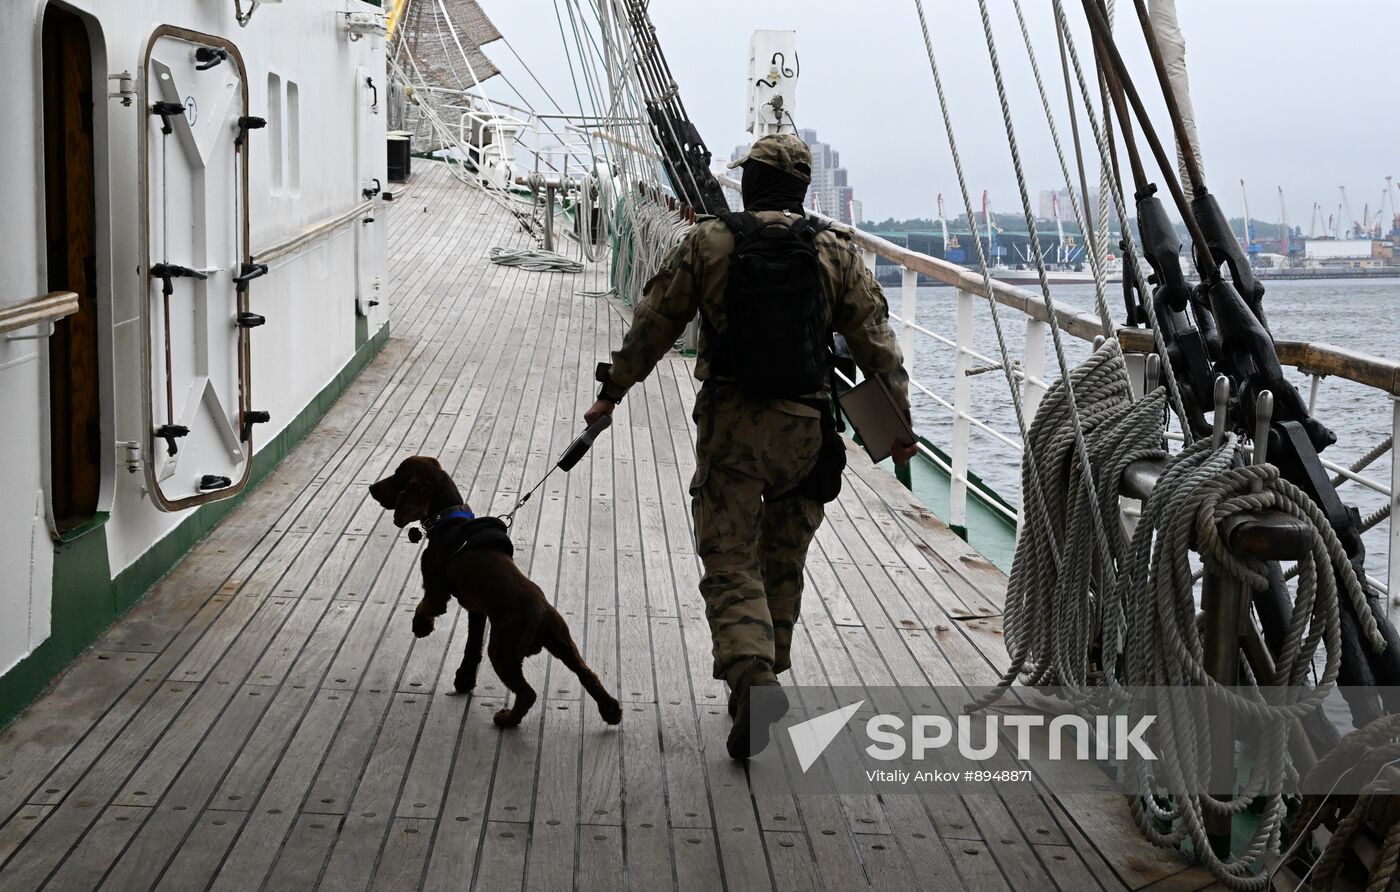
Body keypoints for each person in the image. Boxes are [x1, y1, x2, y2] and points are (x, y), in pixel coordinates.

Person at [583, 133, 915, 758]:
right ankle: (763, 675)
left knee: (731, 558)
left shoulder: (710, 241)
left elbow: (657, 321)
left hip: (732, 425)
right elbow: (877, 343)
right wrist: (897, 429)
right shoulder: (835, 252)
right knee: (782, 559)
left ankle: (751, 676)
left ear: (752, 182)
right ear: (803, 188)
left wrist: (613, 391)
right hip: (807, 428)